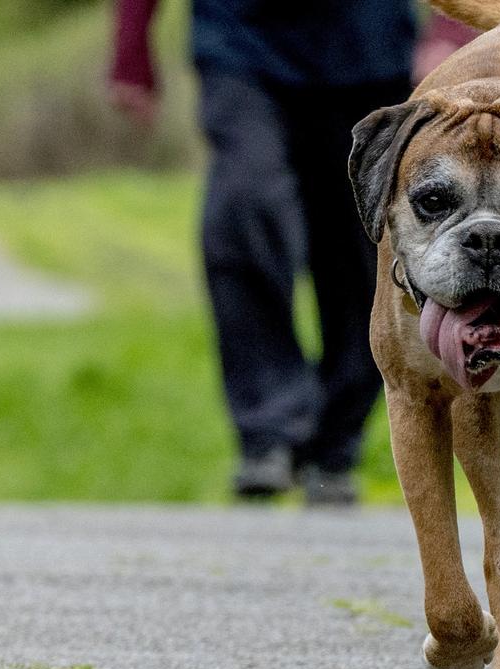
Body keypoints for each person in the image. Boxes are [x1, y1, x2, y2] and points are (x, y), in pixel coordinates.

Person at [110, 0, 418, 503]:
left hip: (370, 47)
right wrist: (130, 46)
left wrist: (450, 30)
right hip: (240, 40)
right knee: (244, 206)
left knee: (361, 246)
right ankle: (269, 430)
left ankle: (335, 443)